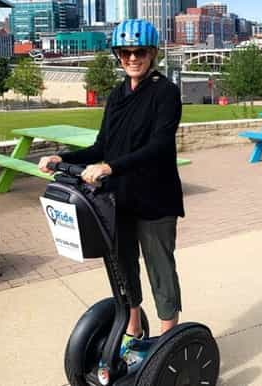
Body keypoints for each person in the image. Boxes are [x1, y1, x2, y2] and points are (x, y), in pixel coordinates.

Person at [39, 19, 184, 367]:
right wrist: (63, 157)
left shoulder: (165, 92)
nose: (132, 58)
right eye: (125, 52)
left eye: (140, 52)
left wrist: (109, 168)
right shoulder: (118, 95)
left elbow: (160, 146)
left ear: (152, 54)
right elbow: (102, 145)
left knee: (159, 269)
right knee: (123, 267)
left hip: (155, 198)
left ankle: (167, 342)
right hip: (119, 199)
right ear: (118, 55)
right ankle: (134, 332)